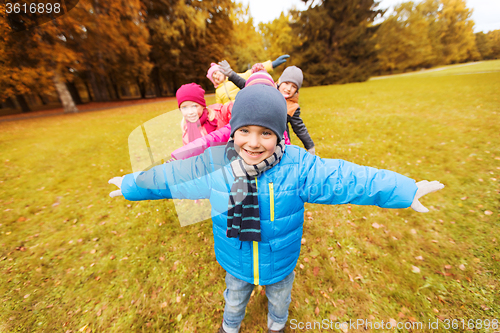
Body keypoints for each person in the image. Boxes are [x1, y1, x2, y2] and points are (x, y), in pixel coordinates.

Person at [108, 85, 444, 333]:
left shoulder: (299, 167)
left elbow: (348, 179)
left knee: (280, 299)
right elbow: (169, 177)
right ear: (233, 132)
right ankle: (230, 327)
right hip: (235, 258)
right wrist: (130, 184)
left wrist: (405, 190)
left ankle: (277, 325)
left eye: (265, 133)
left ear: (280, 135)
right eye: (244, 132)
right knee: (235, 298)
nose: (253, 143)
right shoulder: (214, 165)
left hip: (279, 260)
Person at [220, 62, 316, 155]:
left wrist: (309, 145)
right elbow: (247, 85)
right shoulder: (268, 90)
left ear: (296, 90)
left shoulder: (292, 107)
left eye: (294, 86)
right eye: (286, 83)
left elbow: (299, 128)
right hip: (258, 138)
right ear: (280, 81)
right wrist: (231, 74)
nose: (288, 88)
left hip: (278, 143)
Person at [207, 55, 290, 105]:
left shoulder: (235, 77)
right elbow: (219, 106)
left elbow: (251, 71)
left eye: (216, 73)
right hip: (228, 114)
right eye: (213, 78)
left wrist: (272, 64)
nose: (216, 77)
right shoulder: (218, 91)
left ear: (223, 70)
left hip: (242, 106)